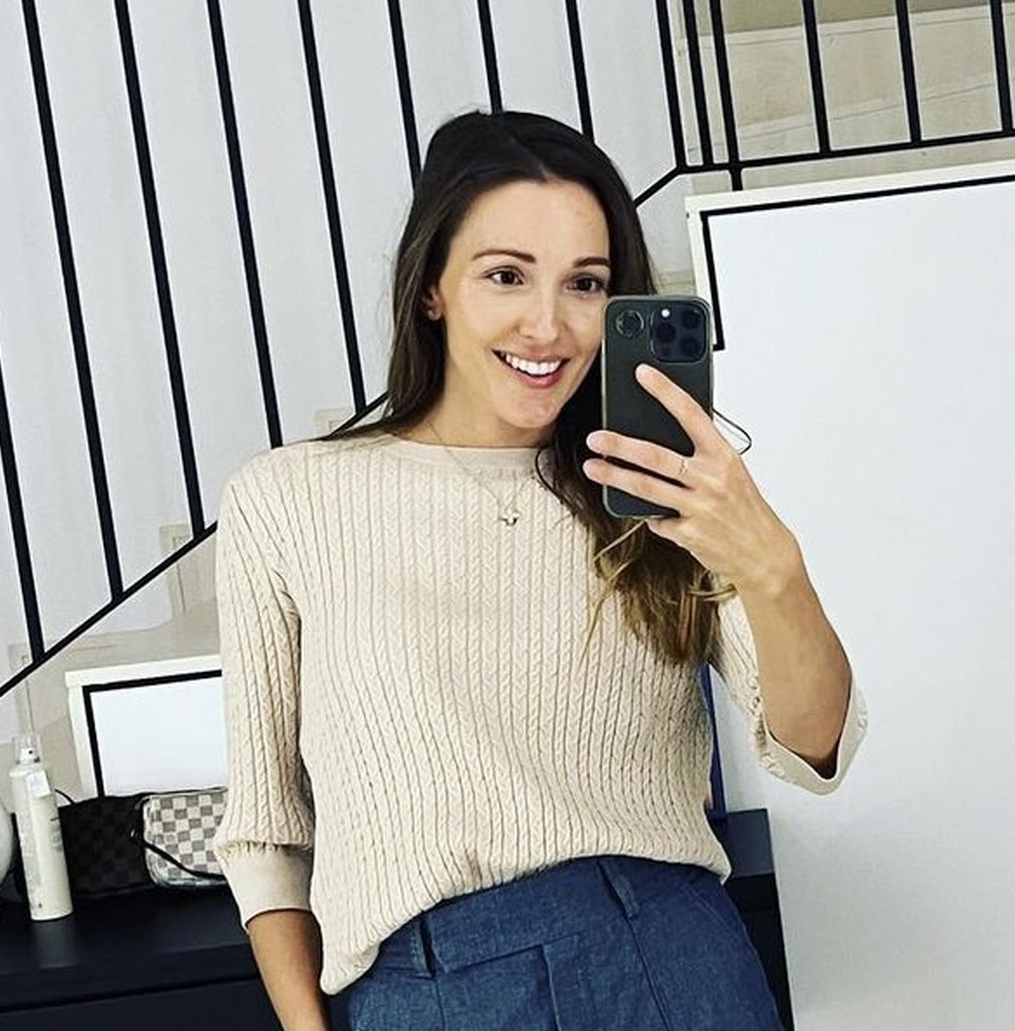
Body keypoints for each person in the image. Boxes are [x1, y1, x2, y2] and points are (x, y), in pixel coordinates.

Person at [212, 109, 866, 1031]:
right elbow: (267, 834)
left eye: (585, 283)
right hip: (429, 990)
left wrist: (775, 567)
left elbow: (814, 747)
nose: (548, 324)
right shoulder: (287, 499)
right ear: (432, 287)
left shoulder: (661, 491)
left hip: (669, 958)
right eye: (506, 275)